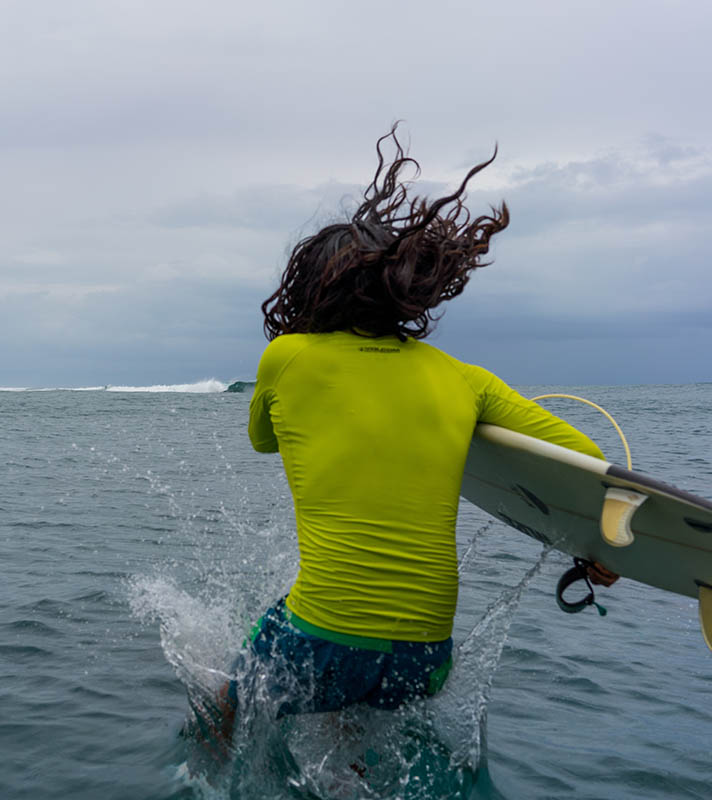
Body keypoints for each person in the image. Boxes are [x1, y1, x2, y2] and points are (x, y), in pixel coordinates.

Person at [213, 127, 617, 740]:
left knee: (227, 696)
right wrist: (597, 547)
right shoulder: (463, 378)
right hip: (425, 659)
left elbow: (264, 441)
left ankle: (205, 765)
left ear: (311, 287)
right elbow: (585, 457)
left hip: (321, 642)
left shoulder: (287, 358)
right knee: (357, 711)